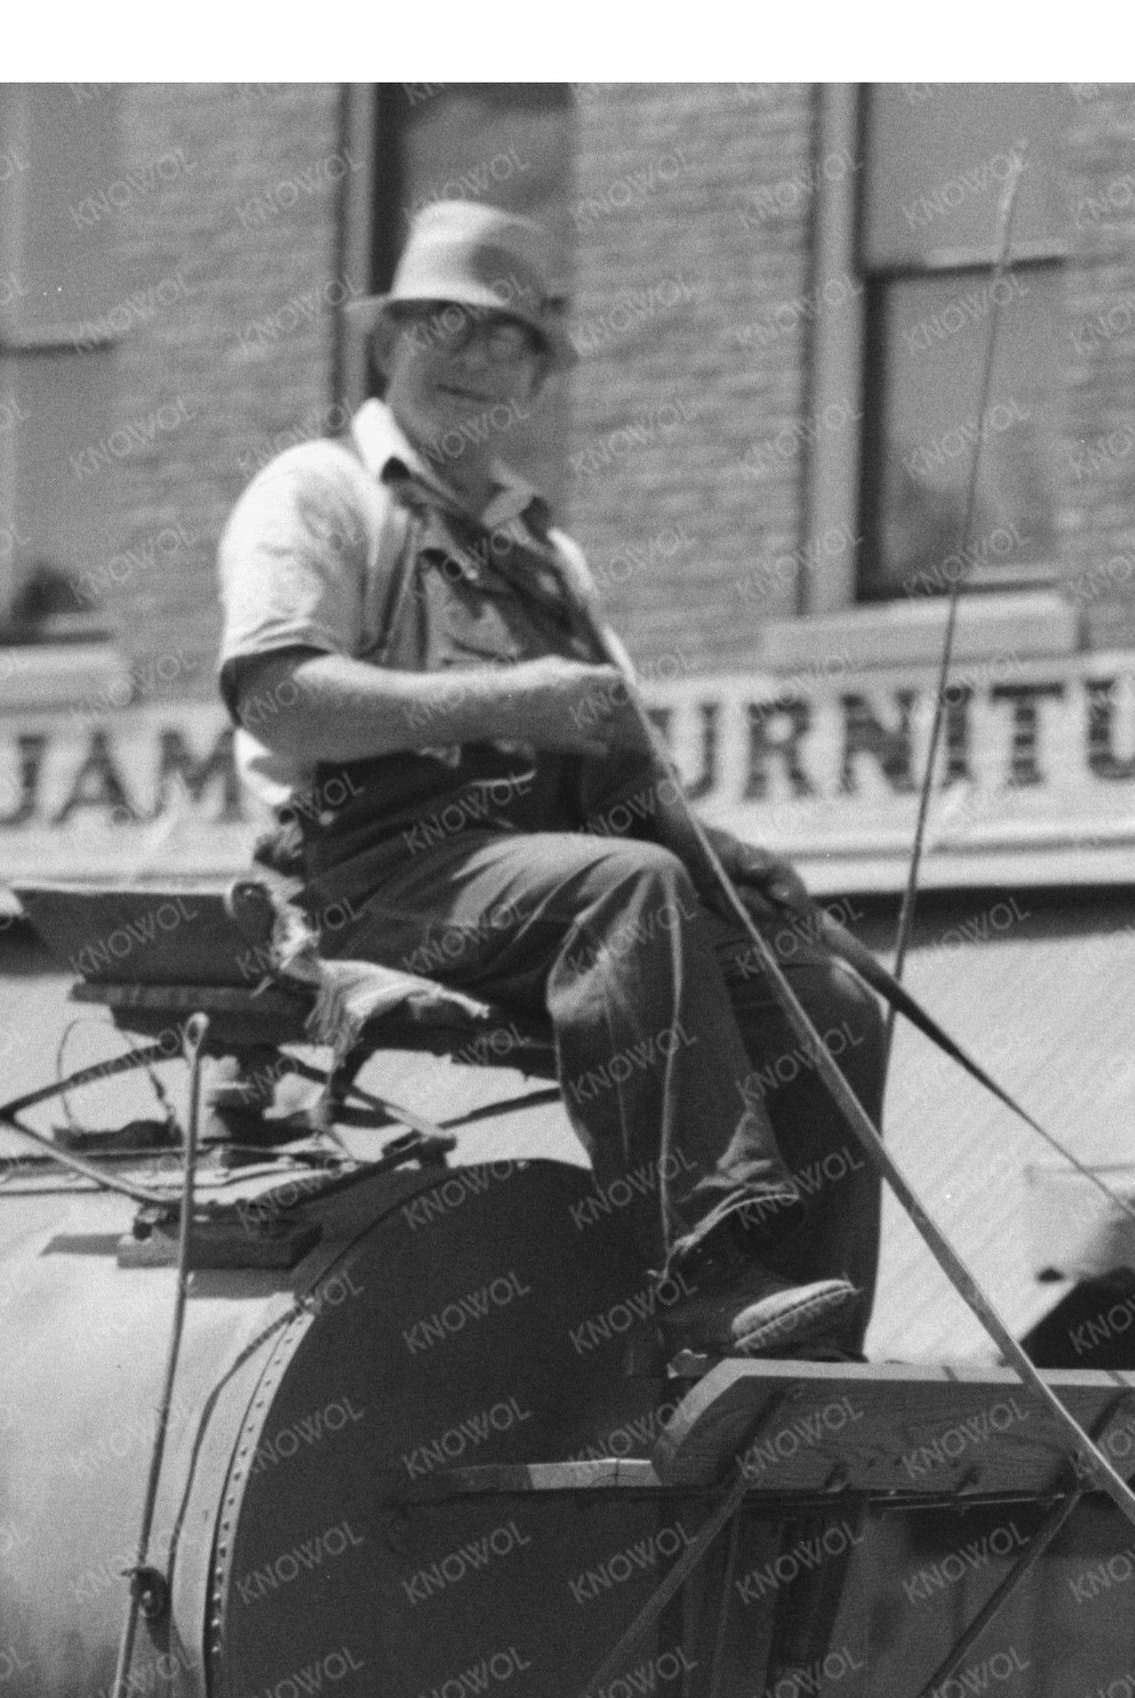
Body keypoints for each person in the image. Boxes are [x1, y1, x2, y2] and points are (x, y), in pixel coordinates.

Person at [217, 201, 891, 1387]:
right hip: (374, 877)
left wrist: (746, 874)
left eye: (509, 341)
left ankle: (810, 1334)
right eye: (448, 327)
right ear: (389, 345)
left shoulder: (547, 555)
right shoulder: (320, 493)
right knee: (622, 891)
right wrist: (501, 702)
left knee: (828, 994)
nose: (477, 359)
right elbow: (278, 698)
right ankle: (702, 1286)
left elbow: (622, 784)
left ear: (535, 378)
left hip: (544, 874)